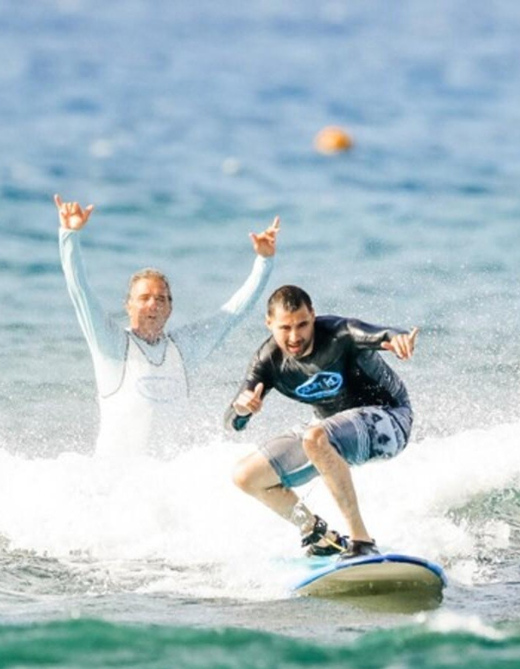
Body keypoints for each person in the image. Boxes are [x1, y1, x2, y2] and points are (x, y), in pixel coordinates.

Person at [54, 194, 279, 458]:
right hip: (113, 485)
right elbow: (79, 291)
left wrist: (264, 262)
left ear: (170, 308)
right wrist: (69, 234)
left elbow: (233, 313)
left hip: (167, 484)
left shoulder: (183, 349)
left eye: (161, 298)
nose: (154, 304)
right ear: (128, 305)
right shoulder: (111, 345)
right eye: (144, 298)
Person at [225, 285, 418, 558]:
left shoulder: (339, 334)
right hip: (330, 435)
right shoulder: (267, 361)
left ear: (313, 315)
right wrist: (243, 410)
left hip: (389, 419)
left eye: (303, 324)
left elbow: (381, 332)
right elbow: (232, 420)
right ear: (269, 324)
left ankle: (362, 542)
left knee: (315, 437)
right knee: (246, 476)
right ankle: (318, 535)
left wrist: (398, 338)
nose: (295, 336)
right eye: (285, 328)